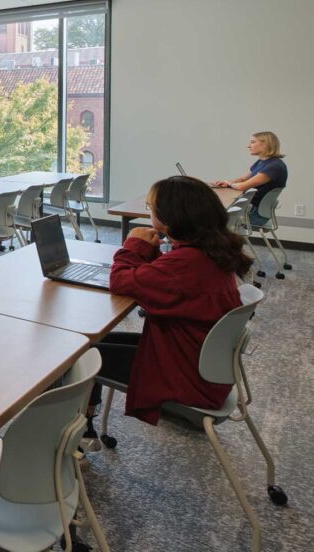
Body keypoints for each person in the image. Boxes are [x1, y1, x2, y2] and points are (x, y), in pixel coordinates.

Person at [85, 176, 250, 445]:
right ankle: (86, 425)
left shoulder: (188, 263)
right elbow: (163, 280)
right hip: (197, 364)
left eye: (151, 209)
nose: (149, 214)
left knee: (80, 355)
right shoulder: (208, 252)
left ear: (171, 218)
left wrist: (134, 245)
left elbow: (121, 282)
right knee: (94, 342)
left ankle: (81, 433)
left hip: (184, 376)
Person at [212, 131, 287, 227]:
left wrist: (229, 183)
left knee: (207, 216)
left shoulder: (274, 166)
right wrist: (230, 182)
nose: (249, 146)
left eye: (252, 142)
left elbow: (242, 186)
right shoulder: (263, 162)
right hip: (250, 211)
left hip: (254, 215)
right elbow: (244, 179)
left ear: (265, 144)